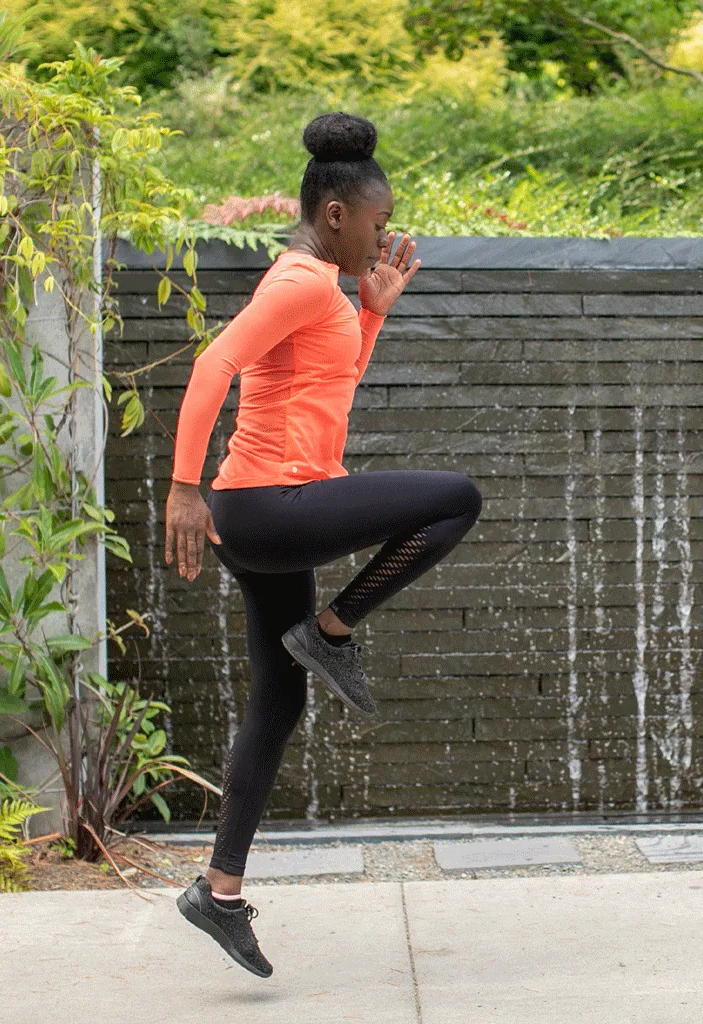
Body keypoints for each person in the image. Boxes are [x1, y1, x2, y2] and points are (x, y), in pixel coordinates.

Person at [165, 111, 483, 978]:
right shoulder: (300, 283)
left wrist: (373, 314)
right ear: (337, 213)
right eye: (378, 223)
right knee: (456, 499)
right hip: (267, 508)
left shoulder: (324, 289)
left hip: (270, 511)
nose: (384, 237)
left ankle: (219, 892)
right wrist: (184, 486)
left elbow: (327, 389)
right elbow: (211, 367)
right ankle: (333, 633)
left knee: (279, 699)